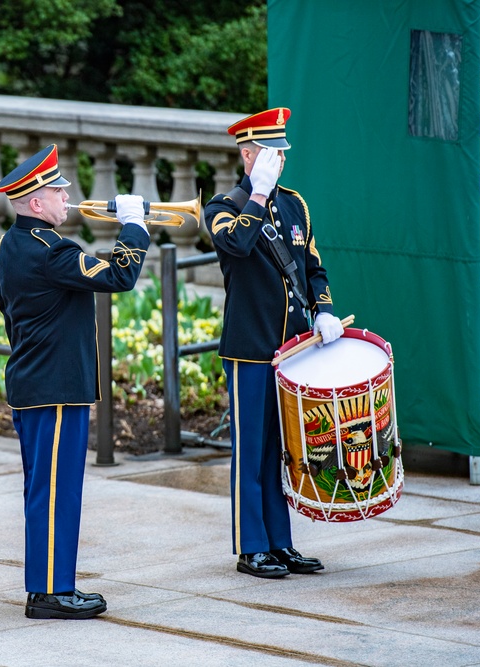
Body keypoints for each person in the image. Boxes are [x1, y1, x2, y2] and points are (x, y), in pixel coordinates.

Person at [0, 144, 150, 618]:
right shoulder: (51, 251)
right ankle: (51, 592)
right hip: (55, 387)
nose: (67, 197)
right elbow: (122, 276)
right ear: (35, 204)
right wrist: (135, 226)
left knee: (46, 490)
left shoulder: (12, 244)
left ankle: (50, 585)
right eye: (57, 192)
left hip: (37, 383)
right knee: (57, 491)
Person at [204, 108, 345, 578]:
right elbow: (237, 248)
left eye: (280, 153)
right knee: (250, 449)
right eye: (269, 153)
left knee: (279, 449)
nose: (279, 161)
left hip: (292, 347)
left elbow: (313, 266)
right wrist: (258, 192)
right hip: (249, 348)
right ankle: (251, 546)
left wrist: (323, 308)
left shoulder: (295, 205)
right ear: (248, 155)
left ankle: (280, 542)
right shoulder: (223, 208)